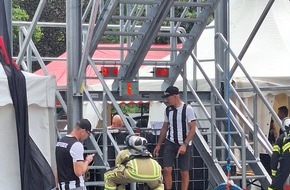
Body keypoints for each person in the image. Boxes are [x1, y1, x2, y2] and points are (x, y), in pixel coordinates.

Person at [153, 86, 196, 190]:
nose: (167, 100)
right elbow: (164, 127)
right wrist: (159, 144)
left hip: (184, 142)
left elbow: (193, 129)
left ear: (175, 96)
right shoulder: (168, 110)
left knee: (184, 171)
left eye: (168, 97)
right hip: (171, 141)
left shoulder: (187, 109)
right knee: (167, 169)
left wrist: (185, 144)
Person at [55, 119, 95, 190]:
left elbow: (57, 168)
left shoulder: (60, 142)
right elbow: (79, 172)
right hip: (75, 186)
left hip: (62, 186)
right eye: (88, 134)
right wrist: (87, 161)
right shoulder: (76, 145)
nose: (87, 137)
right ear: (83, 131)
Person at [268, 118, 290, 190]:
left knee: (275, 186)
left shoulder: (282, 138)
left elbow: (275, 157)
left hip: (287, 158)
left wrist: (274, 174)